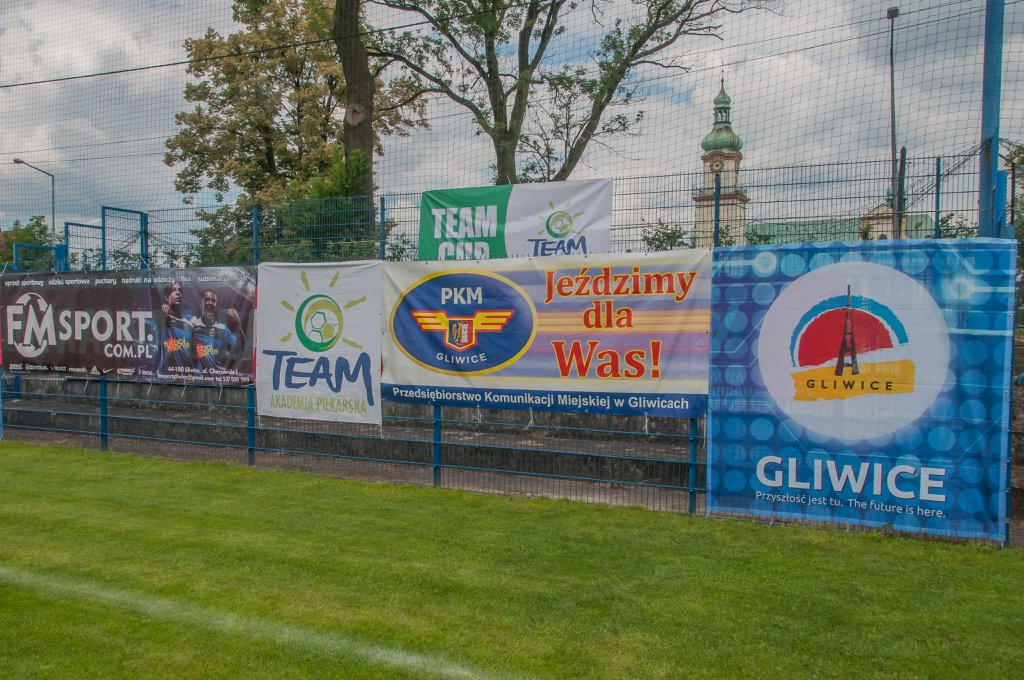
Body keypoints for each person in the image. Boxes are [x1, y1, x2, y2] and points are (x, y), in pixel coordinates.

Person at [190, 288, 244, 373]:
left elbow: (241, 348)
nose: (210, 303)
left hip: (214, 379)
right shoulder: (191, 322)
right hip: (195, 379)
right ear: (201, 303)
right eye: (207, 299)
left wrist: (238, 324)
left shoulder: (222, 329)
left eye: (213, 301)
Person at [153, 281, 195, 375]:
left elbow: (193, 354)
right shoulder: (162, 317)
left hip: (186, 377)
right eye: (173, 290)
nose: (178, 293)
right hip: (166, 376)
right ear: (166, 297)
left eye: (180, 290)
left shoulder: (189, 324)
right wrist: (163, 314)